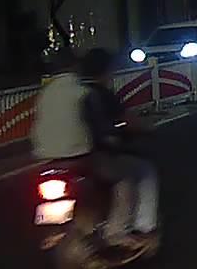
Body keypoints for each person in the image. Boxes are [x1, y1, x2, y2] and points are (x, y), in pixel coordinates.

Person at [31, 48, 159, 248]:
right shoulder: (84, 92)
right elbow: (101, 129)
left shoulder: (44, 94)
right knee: (124, 179)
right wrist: (114, 138)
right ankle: (117, 233)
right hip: (81, 158)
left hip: (46, 161)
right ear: (76, 66)